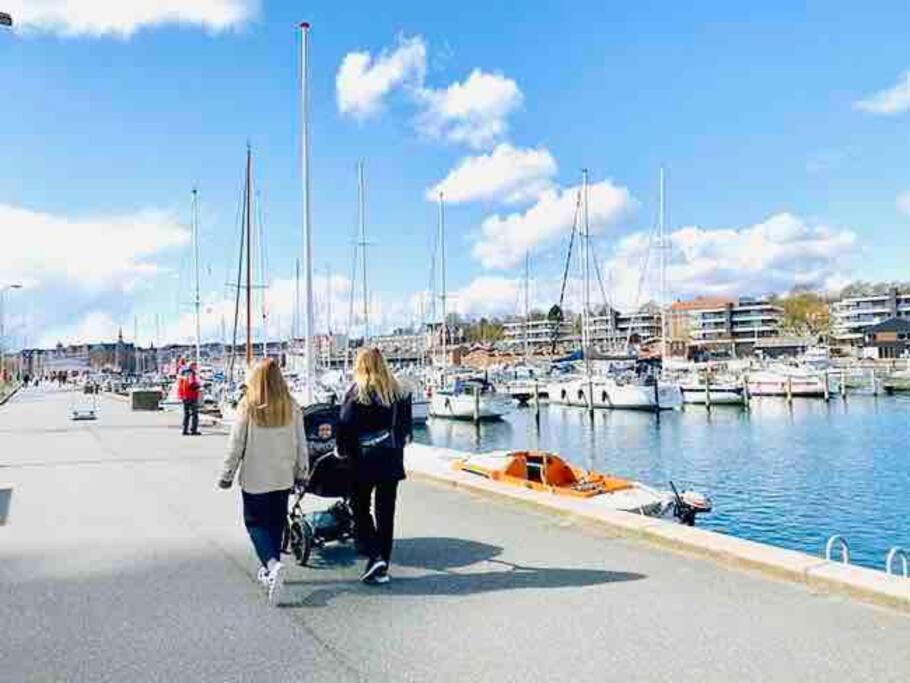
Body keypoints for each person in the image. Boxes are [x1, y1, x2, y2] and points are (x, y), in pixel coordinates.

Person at [218, 359, 307, 606]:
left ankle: (272, 565)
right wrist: (302, 472)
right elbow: (301, 443)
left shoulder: (249, 406)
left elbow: (236, 444)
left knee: (255, 523)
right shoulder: (291, 406)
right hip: (282, 477)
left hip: (256, 477)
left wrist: (227, 474)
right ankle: (273, 570)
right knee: (277, 523)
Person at [337, 347, 412, 585]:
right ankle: (382, 565)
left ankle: (374, 554)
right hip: (390, 459)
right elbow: (406, 430)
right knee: (386, 513)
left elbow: (345, 427)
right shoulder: (399, 392)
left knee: (359, 507)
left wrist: (342, 452)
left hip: (363, 461)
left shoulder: (357, 393)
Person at [178, 362, 201, 436]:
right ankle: (193, 430)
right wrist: (199, 386)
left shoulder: (183, 374)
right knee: (194, 414)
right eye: (195, 366)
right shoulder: (191, 374)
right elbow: (191, 384)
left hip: (184, 396)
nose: (196, 367)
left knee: (186, 414)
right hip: (191, 396)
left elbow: (181, 385)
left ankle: (184, 430)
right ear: (192, 366)